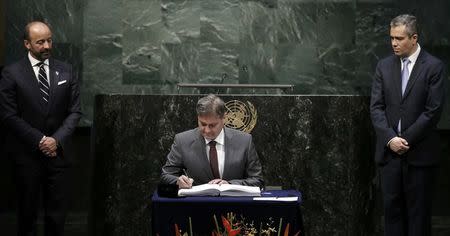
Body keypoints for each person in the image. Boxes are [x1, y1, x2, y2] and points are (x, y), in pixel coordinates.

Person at [0, 21, 81, 236]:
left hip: (59, 156)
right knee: (27, 218)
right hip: (27, 157)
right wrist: (40, 140)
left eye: (49, 40)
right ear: (27, 44)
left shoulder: (66, 70)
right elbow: (9, 115)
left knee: (56, 218)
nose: (47, 46)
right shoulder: (11, 73)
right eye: (40, 42)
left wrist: (55, 140)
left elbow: (75, 112)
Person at [370, 14, 446, 236]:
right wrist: (391, 139)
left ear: (414, 38)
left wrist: (406, 139)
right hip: (389, 156)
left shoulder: (434, 67)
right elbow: (376, 107)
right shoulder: (383, 67)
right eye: (392, 38)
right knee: (392, 215)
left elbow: (433, 111)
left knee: (418, 217)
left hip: (420, 156)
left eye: (399, 38)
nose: (394, 43)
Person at [161, 94, 264, 189]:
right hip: (197, 205)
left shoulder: (244, 141)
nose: (207, 130)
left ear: (224, 118)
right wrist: (177, 181)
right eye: (203, 124)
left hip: (234, 206)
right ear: (198, 118)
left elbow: (257, 180)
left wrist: (230, 184)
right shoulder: (182, 141)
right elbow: (166, 176)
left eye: (212, 125)